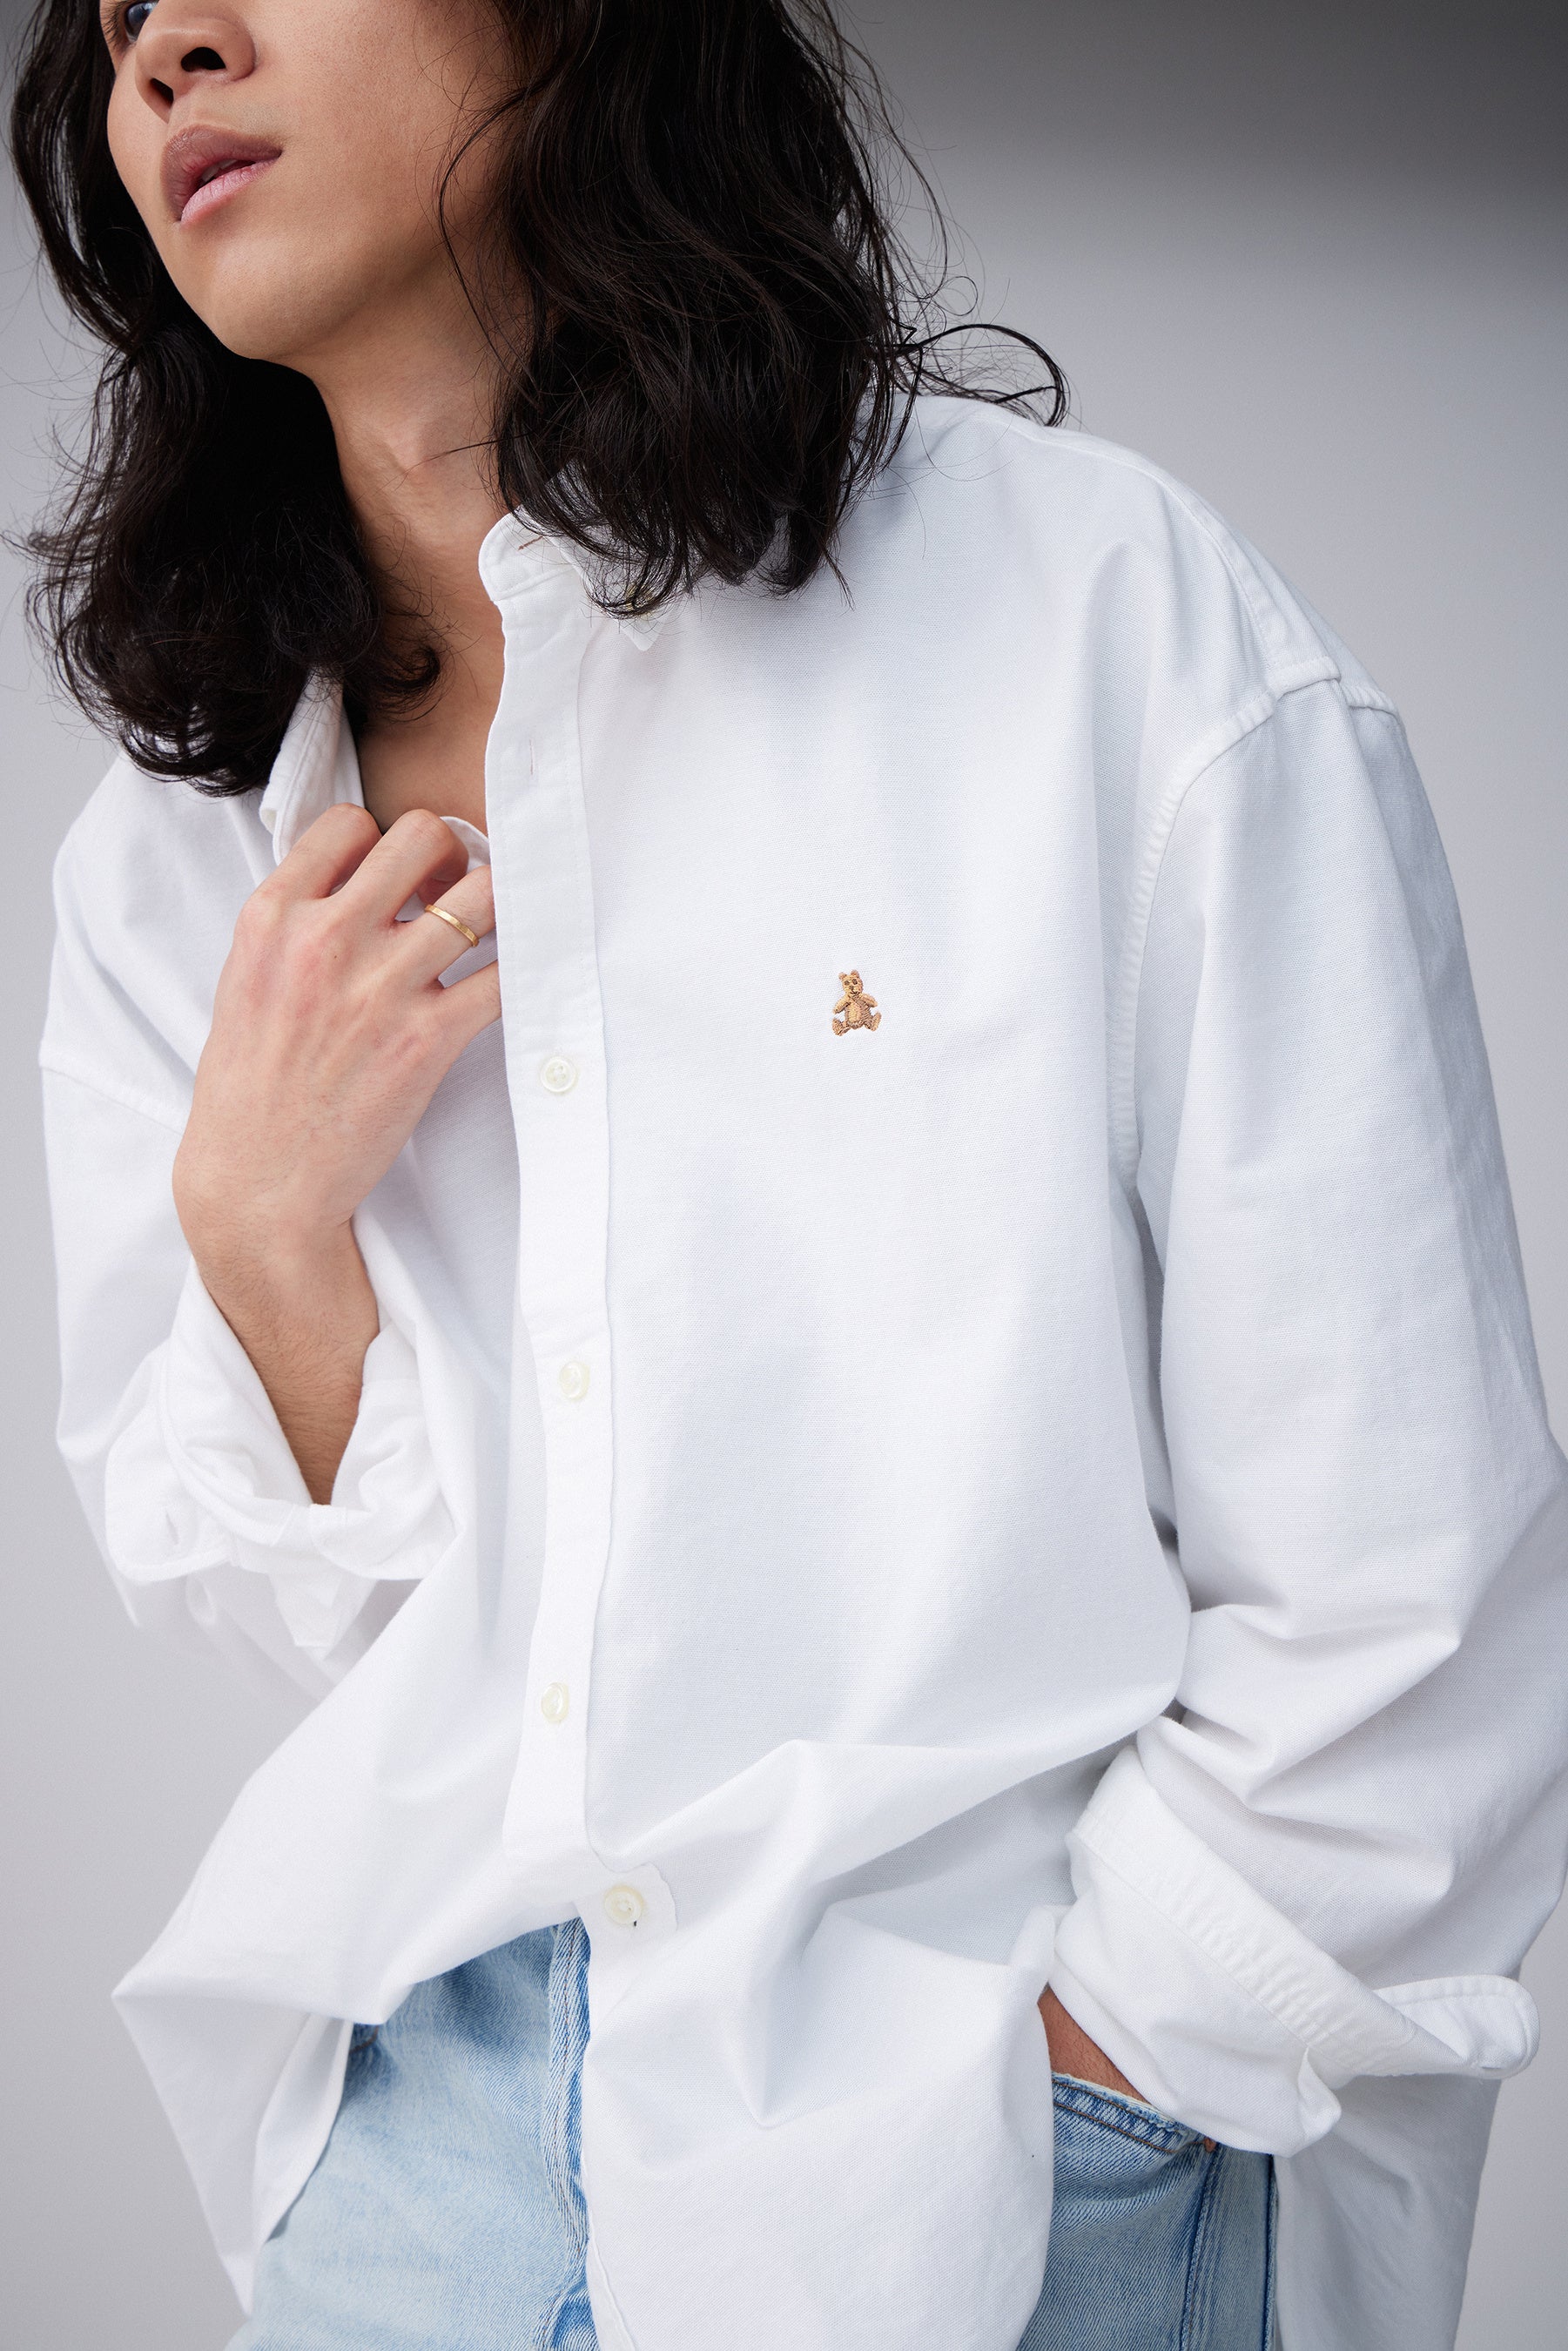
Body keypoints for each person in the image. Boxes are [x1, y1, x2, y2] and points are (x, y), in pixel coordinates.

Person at [13, 0, 1568, 2344]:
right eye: (117, 16)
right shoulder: (179, 857)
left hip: (996, 2157)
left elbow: (1408, 1560)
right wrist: (258, 1226)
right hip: (418, 2163)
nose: (167, 55)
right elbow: (351, 1633)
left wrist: (1116, 2074)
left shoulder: (1098, 621)